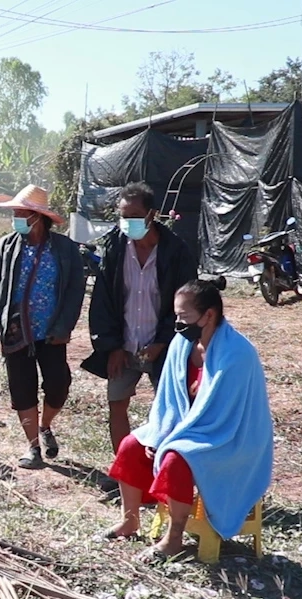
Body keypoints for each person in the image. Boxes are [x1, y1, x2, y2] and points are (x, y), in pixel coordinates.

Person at [102, 281, 274, 560]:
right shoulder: (180, 345)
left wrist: (171, 443)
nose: (179, 324)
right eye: (177, 316)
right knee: (132, 445)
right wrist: (160, 435)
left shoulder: (238, 354)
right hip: (184, 430)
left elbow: (224, 417)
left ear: (209, 315)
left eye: (185, 317)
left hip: (229, 438)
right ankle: (129, 521)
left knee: (176, 459)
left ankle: (174, 539)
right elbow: (168, 402)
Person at [81, 183, 198, 452]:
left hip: (164, 349)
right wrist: (111, 346)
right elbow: (103, 301)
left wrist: (163, 341)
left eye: (133, 216)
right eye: (123, 216)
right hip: (124, 347)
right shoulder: (114, 248)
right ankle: (123, 477)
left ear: (151, 215)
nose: (127, 222)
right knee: (117, 405)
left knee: (171, 410)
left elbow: (186, 304)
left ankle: (162, 474)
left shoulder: (175, 252)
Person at [0, 184, 87, 469]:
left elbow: (76, 289)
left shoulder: (64, 249)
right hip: (16, 331)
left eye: (21, 213)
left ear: (37, 217)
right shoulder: (5, 246)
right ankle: (32, 448)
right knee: (22, 389)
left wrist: (65, 326)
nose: (16, 219)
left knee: (58, 385)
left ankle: (45, 425)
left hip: (52, 332)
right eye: (14, 213)